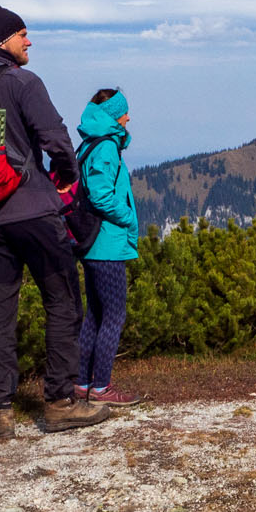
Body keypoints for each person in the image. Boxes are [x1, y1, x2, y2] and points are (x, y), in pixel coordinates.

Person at [0, 6, 112, 438]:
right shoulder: (22, 82)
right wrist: (66, 174)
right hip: (30, 211)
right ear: (5, 40)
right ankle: (60, 403)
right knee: (63, 301)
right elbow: (54, 137)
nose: (29, 42)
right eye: (23, 35)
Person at [73, 88, 145, 405]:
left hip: (93, 244)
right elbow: (101, 196)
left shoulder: (91, 142)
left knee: (95, 315)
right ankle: (101, 387)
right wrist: (128, 217)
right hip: (107, 244)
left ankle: (81, 383)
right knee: (114, 315)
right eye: (125, 112)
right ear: (114, 114)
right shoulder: (106, 148)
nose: (129, 117)